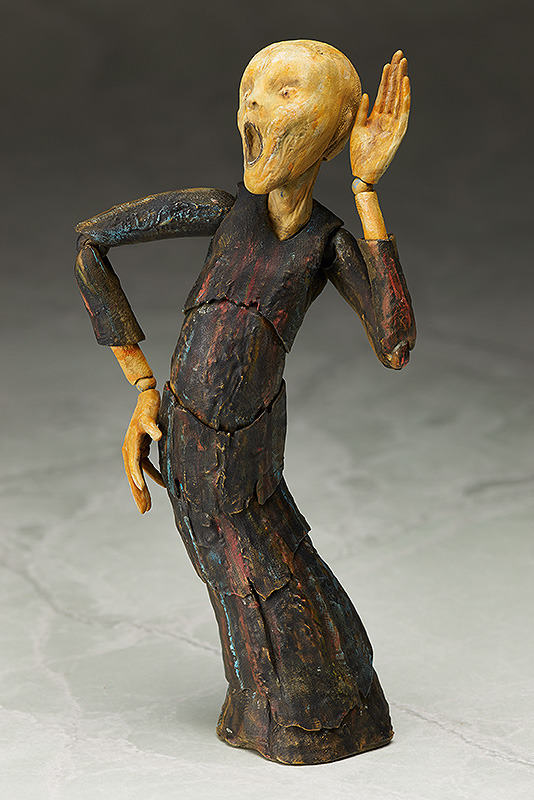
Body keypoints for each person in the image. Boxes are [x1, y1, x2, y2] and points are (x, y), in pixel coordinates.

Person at [75, 40, 415, 764]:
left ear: (335, 128)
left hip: (250, 449)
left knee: (279, 576)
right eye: (248, 90)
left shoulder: (325, 243)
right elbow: (91, 245)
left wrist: (365, 190)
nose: (253, 105)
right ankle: (266, 710)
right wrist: (143, 390)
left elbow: (394, 343)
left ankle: (326, 713)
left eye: (284, 91)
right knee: (232, 582)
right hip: (186, 445)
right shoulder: (222, 212)